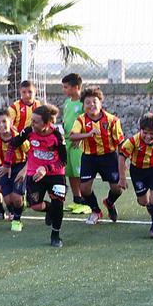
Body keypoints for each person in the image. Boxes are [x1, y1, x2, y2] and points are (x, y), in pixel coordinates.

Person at [7, 104, 68, 247]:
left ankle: (55, 235)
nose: (32, 124)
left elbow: (63, 160)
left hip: (55, 174)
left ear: (46, 124)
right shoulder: (29, 131)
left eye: (35, 121)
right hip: (34, 173)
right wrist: (6, 164)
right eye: (32, 120)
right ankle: (50, 209)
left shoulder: (57, 135)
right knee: (34, 205)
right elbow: (12, 144)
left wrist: (46, 168)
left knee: (58, 203)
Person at [69, 86, 125, 224]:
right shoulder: (81, 120)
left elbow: (120, 142)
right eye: (87, 102)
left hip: (109, 157)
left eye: (94, 101)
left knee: (117, 188)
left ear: (101, 103)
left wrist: (122, 163)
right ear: (83, 105)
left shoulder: (112, 120)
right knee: (84, 189)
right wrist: (88, 134)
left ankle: (109, 202)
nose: (91, 105)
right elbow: (72, 136)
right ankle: (95, 210)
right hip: (89, 158)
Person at [0, 108, 28, 231]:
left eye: (4, 121)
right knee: (7, 199)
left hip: (19, 166)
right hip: (3, 167)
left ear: (10, 122)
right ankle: (16, 208)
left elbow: (31, 155)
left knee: (16, 198)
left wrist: (24, 171)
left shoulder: (18, 137)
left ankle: (17, 219)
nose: (1, 125)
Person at [60, 73, 90, 214]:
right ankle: (77, 200)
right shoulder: (67, 103)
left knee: (80, 173)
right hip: (67, 141)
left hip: (79, 143)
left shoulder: (83, 103)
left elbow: (88, 122)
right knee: (71, 172)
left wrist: (80, 138)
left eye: (66, 87)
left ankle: (87, 202)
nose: (64, 90)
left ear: (76, 87)